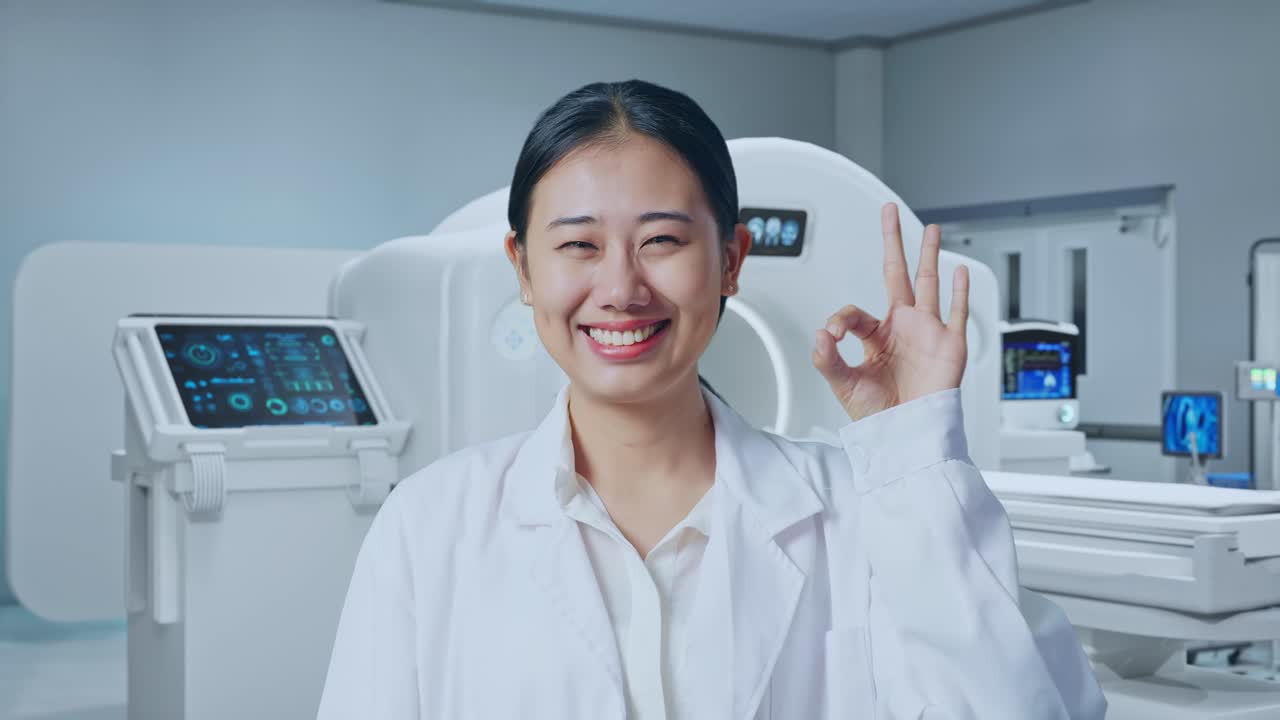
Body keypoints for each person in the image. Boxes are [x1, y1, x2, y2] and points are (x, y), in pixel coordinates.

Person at [317, 80, 1106, 719]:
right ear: (523, 270)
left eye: (662, 240)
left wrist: (918, 450)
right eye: (578, 246)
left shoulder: (862, 514)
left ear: (730, 259)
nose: (621, 289)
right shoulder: (429, 529)